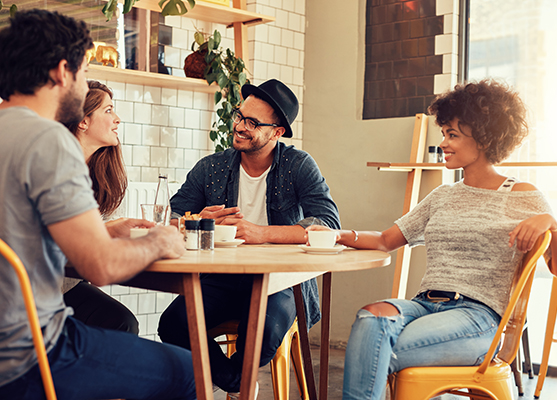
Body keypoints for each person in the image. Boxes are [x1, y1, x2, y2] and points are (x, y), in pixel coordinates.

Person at [307, 80, 557, 400]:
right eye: (444, 133)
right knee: (371, 318)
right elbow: (385, 240)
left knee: (376, 350)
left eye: (452, 135)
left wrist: (552, 223)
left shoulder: (522, 196)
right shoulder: (442, 196)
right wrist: (337, 234)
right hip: (423, 304)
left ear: (483, 137)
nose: (443, 143)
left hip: (478, 319)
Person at [0, 10, 196, 400]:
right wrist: (160, 240)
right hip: (30, 355)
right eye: (84, 73)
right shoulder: (50, 140)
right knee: (192, 372)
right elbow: (101, 266)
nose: (85, 84)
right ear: (61, 72)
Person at [158, 79, 341, 395]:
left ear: (277, 132)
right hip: (222, 277)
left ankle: (232, 383)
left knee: (265, 331)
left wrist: (261, 233)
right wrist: (195, 221)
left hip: (281, 281)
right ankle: (238, 384)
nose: (239, 126)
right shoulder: (211, 168)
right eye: (239, 116)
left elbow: (327, 222)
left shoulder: (298, 165)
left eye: (252, 122)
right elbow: (169, 218)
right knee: (174, 323)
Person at [61, 80, 138, 334]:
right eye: (108, 110)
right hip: (40, 288)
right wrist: (108, 231)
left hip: (67, 283)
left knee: (123, 322)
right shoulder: (59, 167)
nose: (117, 119)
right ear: (83, 120)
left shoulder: (94, 173)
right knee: (122, 324)